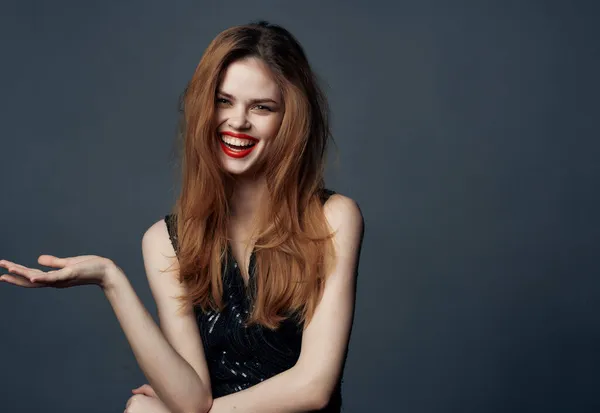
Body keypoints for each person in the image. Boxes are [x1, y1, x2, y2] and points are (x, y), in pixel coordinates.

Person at [0, 21, 363, 413]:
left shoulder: (332, 218)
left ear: (289, 120)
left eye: (262, 107)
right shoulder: (165, 241)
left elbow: (313, 387)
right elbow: (192, 399)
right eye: (224, 101)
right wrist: (111, 280)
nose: (238, 121)